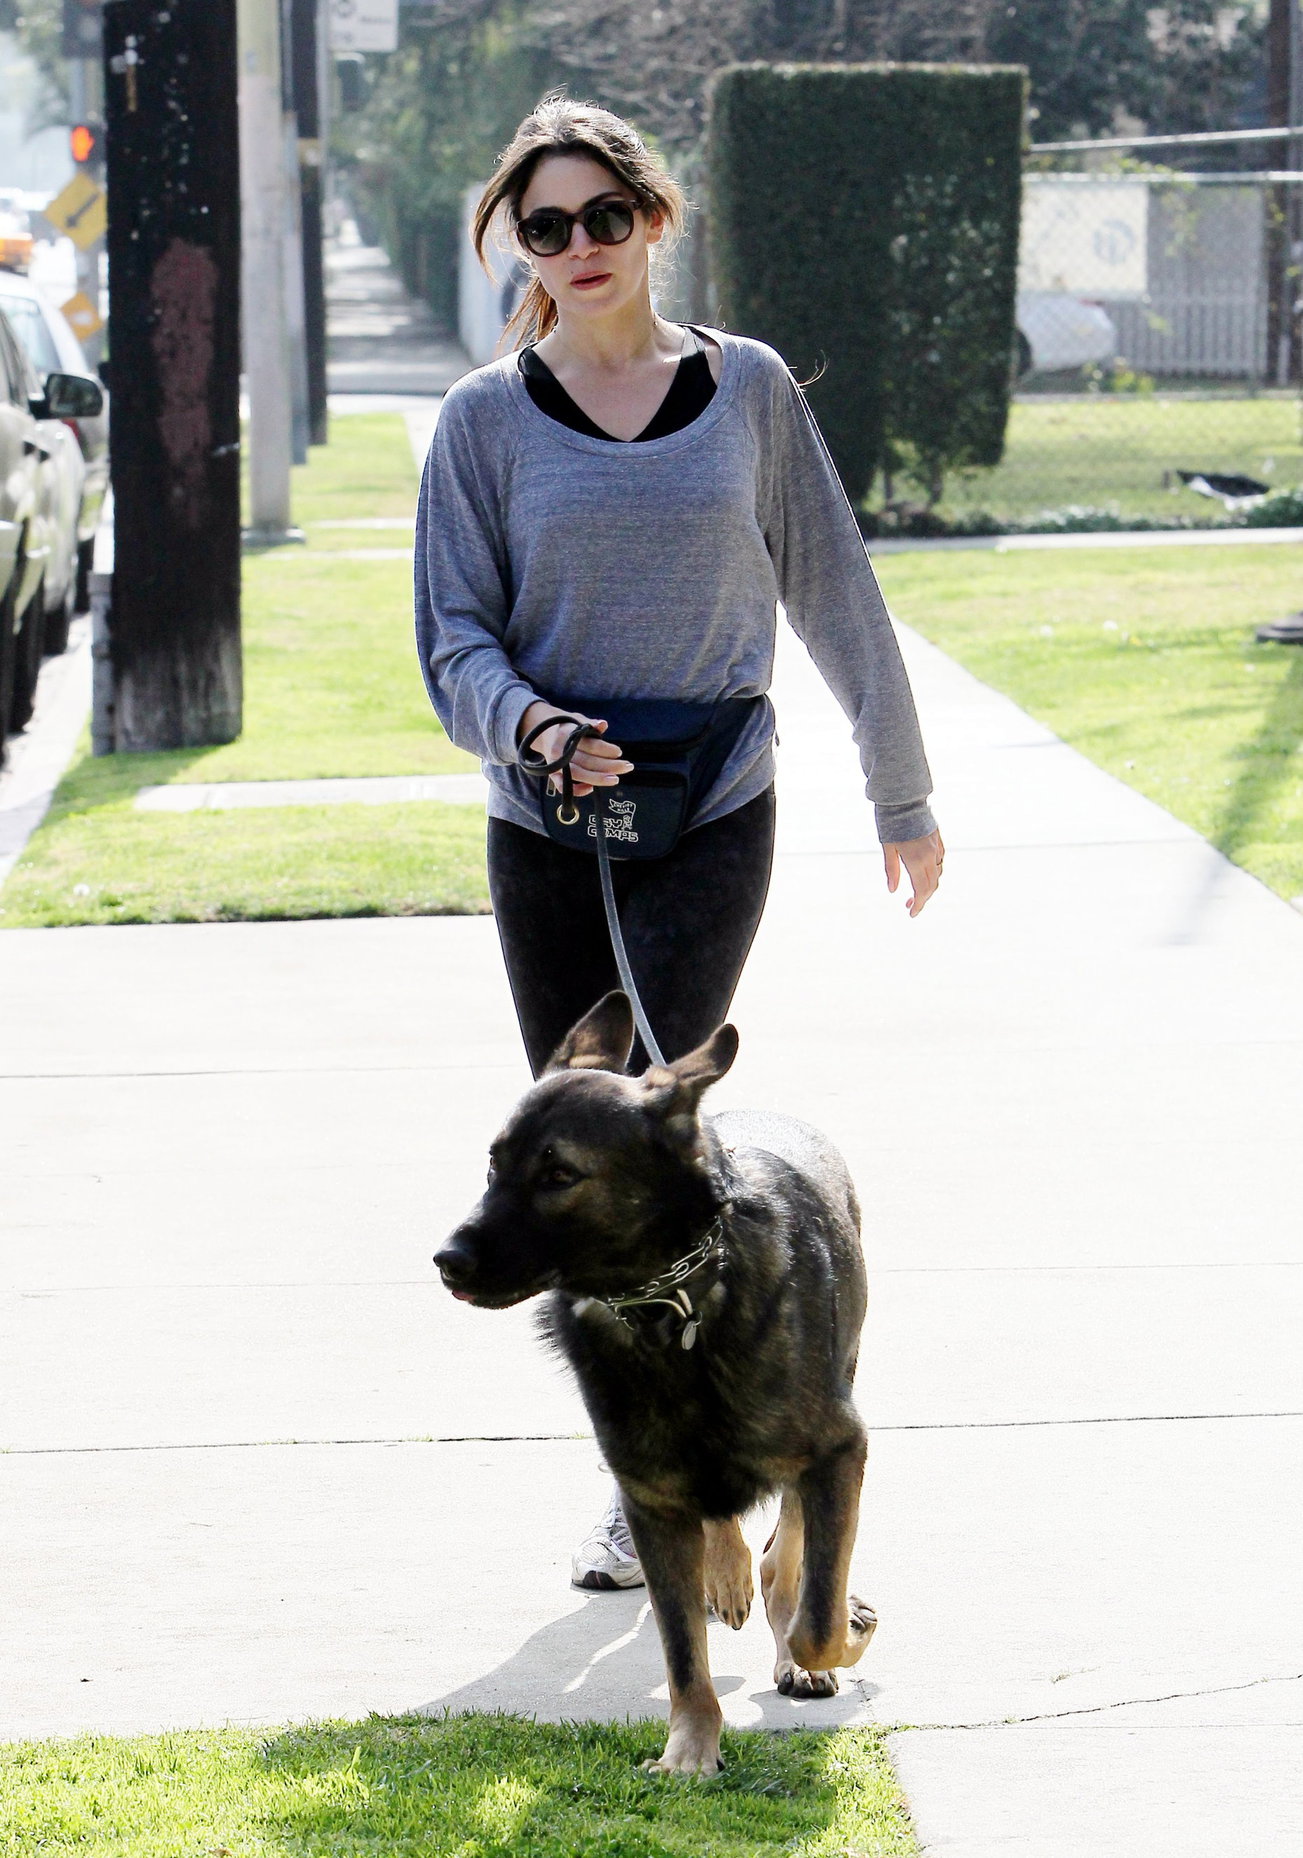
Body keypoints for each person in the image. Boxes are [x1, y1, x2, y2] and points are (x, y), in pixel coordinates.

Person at [415, 93, 943, 1592]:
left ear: (654, 219)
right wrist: (528, 726)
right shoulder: (484, 421)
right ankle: (649, 1485)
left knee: (662, 1126)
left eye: (601, 217)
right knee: (577, 1148)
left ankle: (769, 1452)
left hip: (713, 798)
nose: (575, 247)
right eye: (543, 226)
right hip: (548, 817)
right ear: (517, 244)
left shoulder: (753, 391)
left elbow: (836, 590)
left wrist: (899, 791)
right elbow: (450, 635)